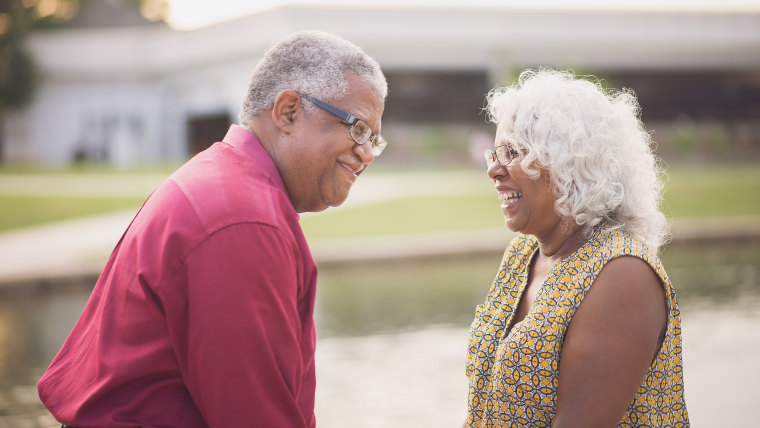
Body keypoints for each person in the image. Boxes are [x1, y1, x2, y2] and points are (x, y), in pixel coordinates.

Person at [38, 31, 387, 428]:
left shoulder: (226, 185)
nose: (367, 153)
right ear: (288, 111)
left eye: (375, 139)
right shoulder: (242, 220)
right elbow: (254, 417)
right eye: (357, 128)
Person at [465, 69, 689, 427]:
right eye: (495, 153)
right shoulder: (523, 253)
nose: (494, 169)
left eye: (512, 152)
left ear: (571, 161)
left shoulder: (622, 273)